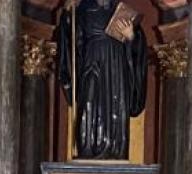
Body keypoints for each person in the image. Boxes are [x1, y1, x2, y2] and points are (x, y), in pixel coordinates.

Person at [53, 0, 148, 161]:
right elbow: (69, 39)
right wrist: (67, 14)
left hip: (117, 65)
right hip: (91, 62)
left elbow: (138, 47)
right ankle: (87, 147)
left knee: (116, 102)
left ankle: (115, 149)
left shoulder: (122, 11)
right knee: (89, 100)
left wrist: (131, 36)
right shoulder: (81, 8)